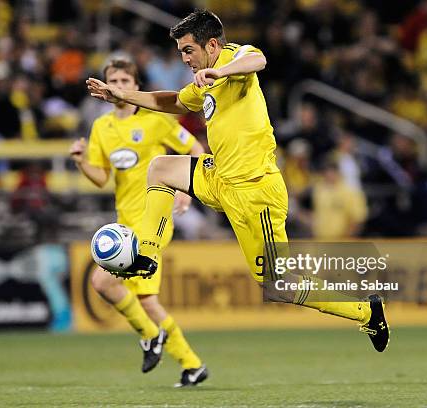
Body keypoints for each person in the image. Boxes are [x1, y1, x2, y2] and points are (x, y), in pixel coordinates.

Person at [86, 10, 389, 352]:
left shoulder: (234, 62)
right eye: (181, 52)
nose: (184, 58)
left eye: (189, 50)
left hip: (255, 192)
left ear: (211, 45)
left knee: (279, 287)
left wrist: (221, 71)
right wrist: (121, 96)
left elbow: (258, 59)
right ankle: (147, 255)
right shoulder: (204, 82)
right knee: (160, 168)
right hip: (219, 177)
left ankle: (367, 311)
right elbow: (172, 101)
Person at [70, 59, 208, 386]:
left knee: (104, 284)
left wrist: (187, 189)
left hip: (153, 220)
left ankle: (151, 337)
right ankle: (190, 364)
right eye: (113, 78)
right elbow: (101, 178)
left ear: (135, 85)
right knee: (142, 299)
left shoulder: (155, 120)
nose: (118, 83)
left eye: (124, 79)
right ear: (105, 87)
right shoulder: (102, 128)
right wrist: (80, 162)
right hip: (124, 224)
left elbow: (196, 148)